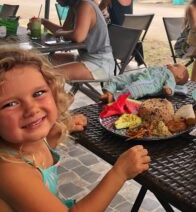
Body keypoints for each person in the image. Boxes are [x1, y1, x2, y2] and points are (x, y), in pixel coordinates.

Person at [0, 47, 150, 211]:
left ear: (53, 91)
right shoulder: (10, 171)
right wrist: (119, 173)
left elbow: (41, 154)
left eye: (38, 93)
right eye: (10, 104)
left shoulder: (29, 142)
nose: (31, 109)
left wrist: (61, 129)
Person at [41, 0, 115, 81]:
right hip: (85, 58)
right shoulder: (75, 6)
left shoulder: (85, 6)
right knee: (42, 61)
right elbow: (64, 30)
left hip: (100, 63)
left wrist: (60, 33)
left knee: (50, 76)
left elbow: (78, 36)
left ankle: (62, 98)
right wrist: (43, 22)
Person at [99, 0, 144, 66]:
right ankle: (130, 60)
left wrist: (106, 12)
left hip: (115, 39)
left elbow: (98, 11)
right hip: (131, 38)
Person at [100, 63, 189, 103]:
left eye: (175, 66)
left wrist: (168, 89)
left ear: (180, 76)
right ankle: (108, 91)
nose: (170, 64)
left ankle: (114, 99)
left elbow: (170, 86)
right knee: (119, 79)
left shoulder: (171, 77)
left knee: (133, 89)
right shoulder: (164, 69)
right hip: (141, 75)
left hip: (148, 84)